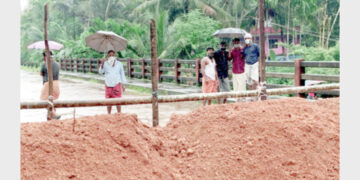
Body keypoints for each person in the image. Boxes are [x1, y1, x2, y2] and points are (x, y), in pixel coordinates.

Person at [98, 50, 127, 114]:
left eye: (112, 55)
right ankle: (109, 114)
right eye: (110, 55)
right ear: (108, 56)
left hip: (116, 84)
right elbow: (101, 72)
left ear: (114, 56)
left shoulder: (119, 64)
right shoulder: (105, 63)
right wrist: (102, 64)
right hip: (108, 84)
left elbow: (122, 74)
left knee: (118, 100)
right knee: (108, 101)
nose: (111, 56)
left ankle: (119, 113)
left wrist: (123, 84)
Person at [40, 51, 61, 119]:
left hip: (48, 84)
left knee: (44, 100)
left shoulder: (45, 64)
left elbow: (41, 74)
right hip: (56, 84)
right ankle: (52, 114)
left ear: (45, 57)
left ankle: (53, 114)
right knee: (52, 100)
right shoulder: (57, 64)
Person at [228, 38, 246, 102]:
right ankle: (237, 99)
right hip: (235, 70)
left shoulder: (242, 50)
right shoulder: (232, 51)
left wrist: (242, 52)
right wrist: (229, 52)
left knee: (242, 85)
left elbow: (244, 57)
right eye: (235, 43)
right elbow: (229, 59)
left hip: (241, 70)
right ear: (233, 43)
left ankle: (242, 98)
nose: (236, 44)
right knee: (235, 85)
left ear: (239, 43)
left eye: (237, 42)